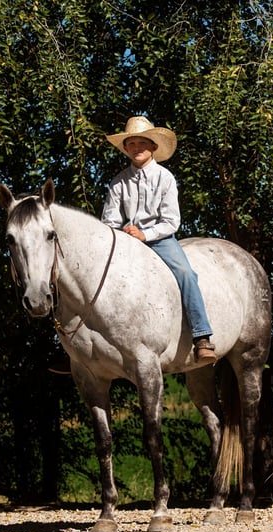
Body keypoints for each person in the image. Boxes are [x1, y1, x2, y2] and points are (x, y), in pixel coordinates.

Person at [101, 116, 217, 365]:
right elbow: (109, 221)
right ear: (125, 148)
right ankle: (85, 345)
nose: (137, 147)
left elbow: (171, 221)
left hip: (160, 239)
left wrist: (145, 234)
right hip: (126, 240)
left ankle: (202, 336)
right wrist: (123, 232)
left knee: (186, 274)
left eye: (143, 142)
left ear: (153, 147)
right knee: (94, 276)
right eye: (131, 143)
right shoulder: (118, 182)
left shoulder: (165, 178)